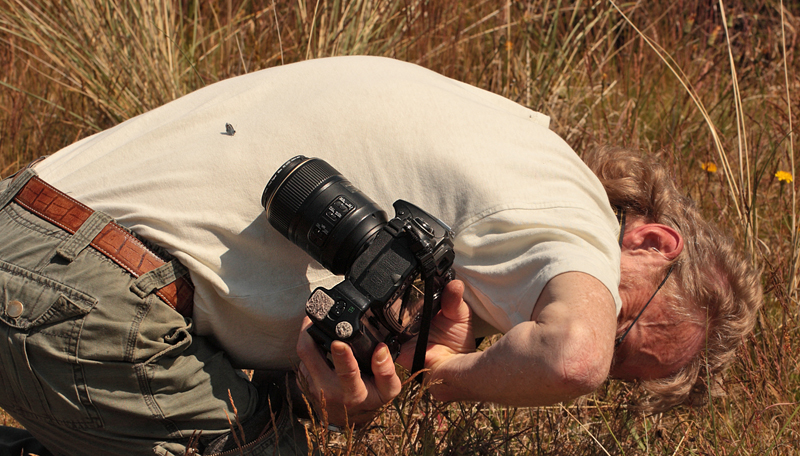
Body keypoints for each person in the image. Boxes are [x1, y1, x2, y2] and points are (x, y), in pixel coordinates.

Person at [0, 56, 761, 455]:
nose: (589, 393)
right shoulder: (573, 217)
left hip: (36, 245)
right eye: (628, 326)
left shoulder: (497, 176)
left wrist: (345, 398)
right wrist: (447, 380)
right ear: (652, 242)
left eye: (620, 386)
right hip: (92, 294)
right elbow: (574, 359)